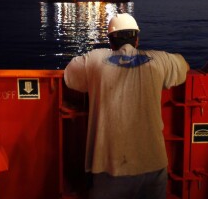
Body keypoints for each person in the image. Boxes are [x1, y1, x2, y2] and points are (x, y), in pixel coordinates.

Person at [64, 13, 190, 199]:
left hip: (108, 169)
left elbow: (69, 77)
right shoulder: (160, 60)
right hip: (153, 166)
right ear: (137, 39)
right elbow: (184, 65)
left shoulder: (94, 60)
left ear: (110, 41)